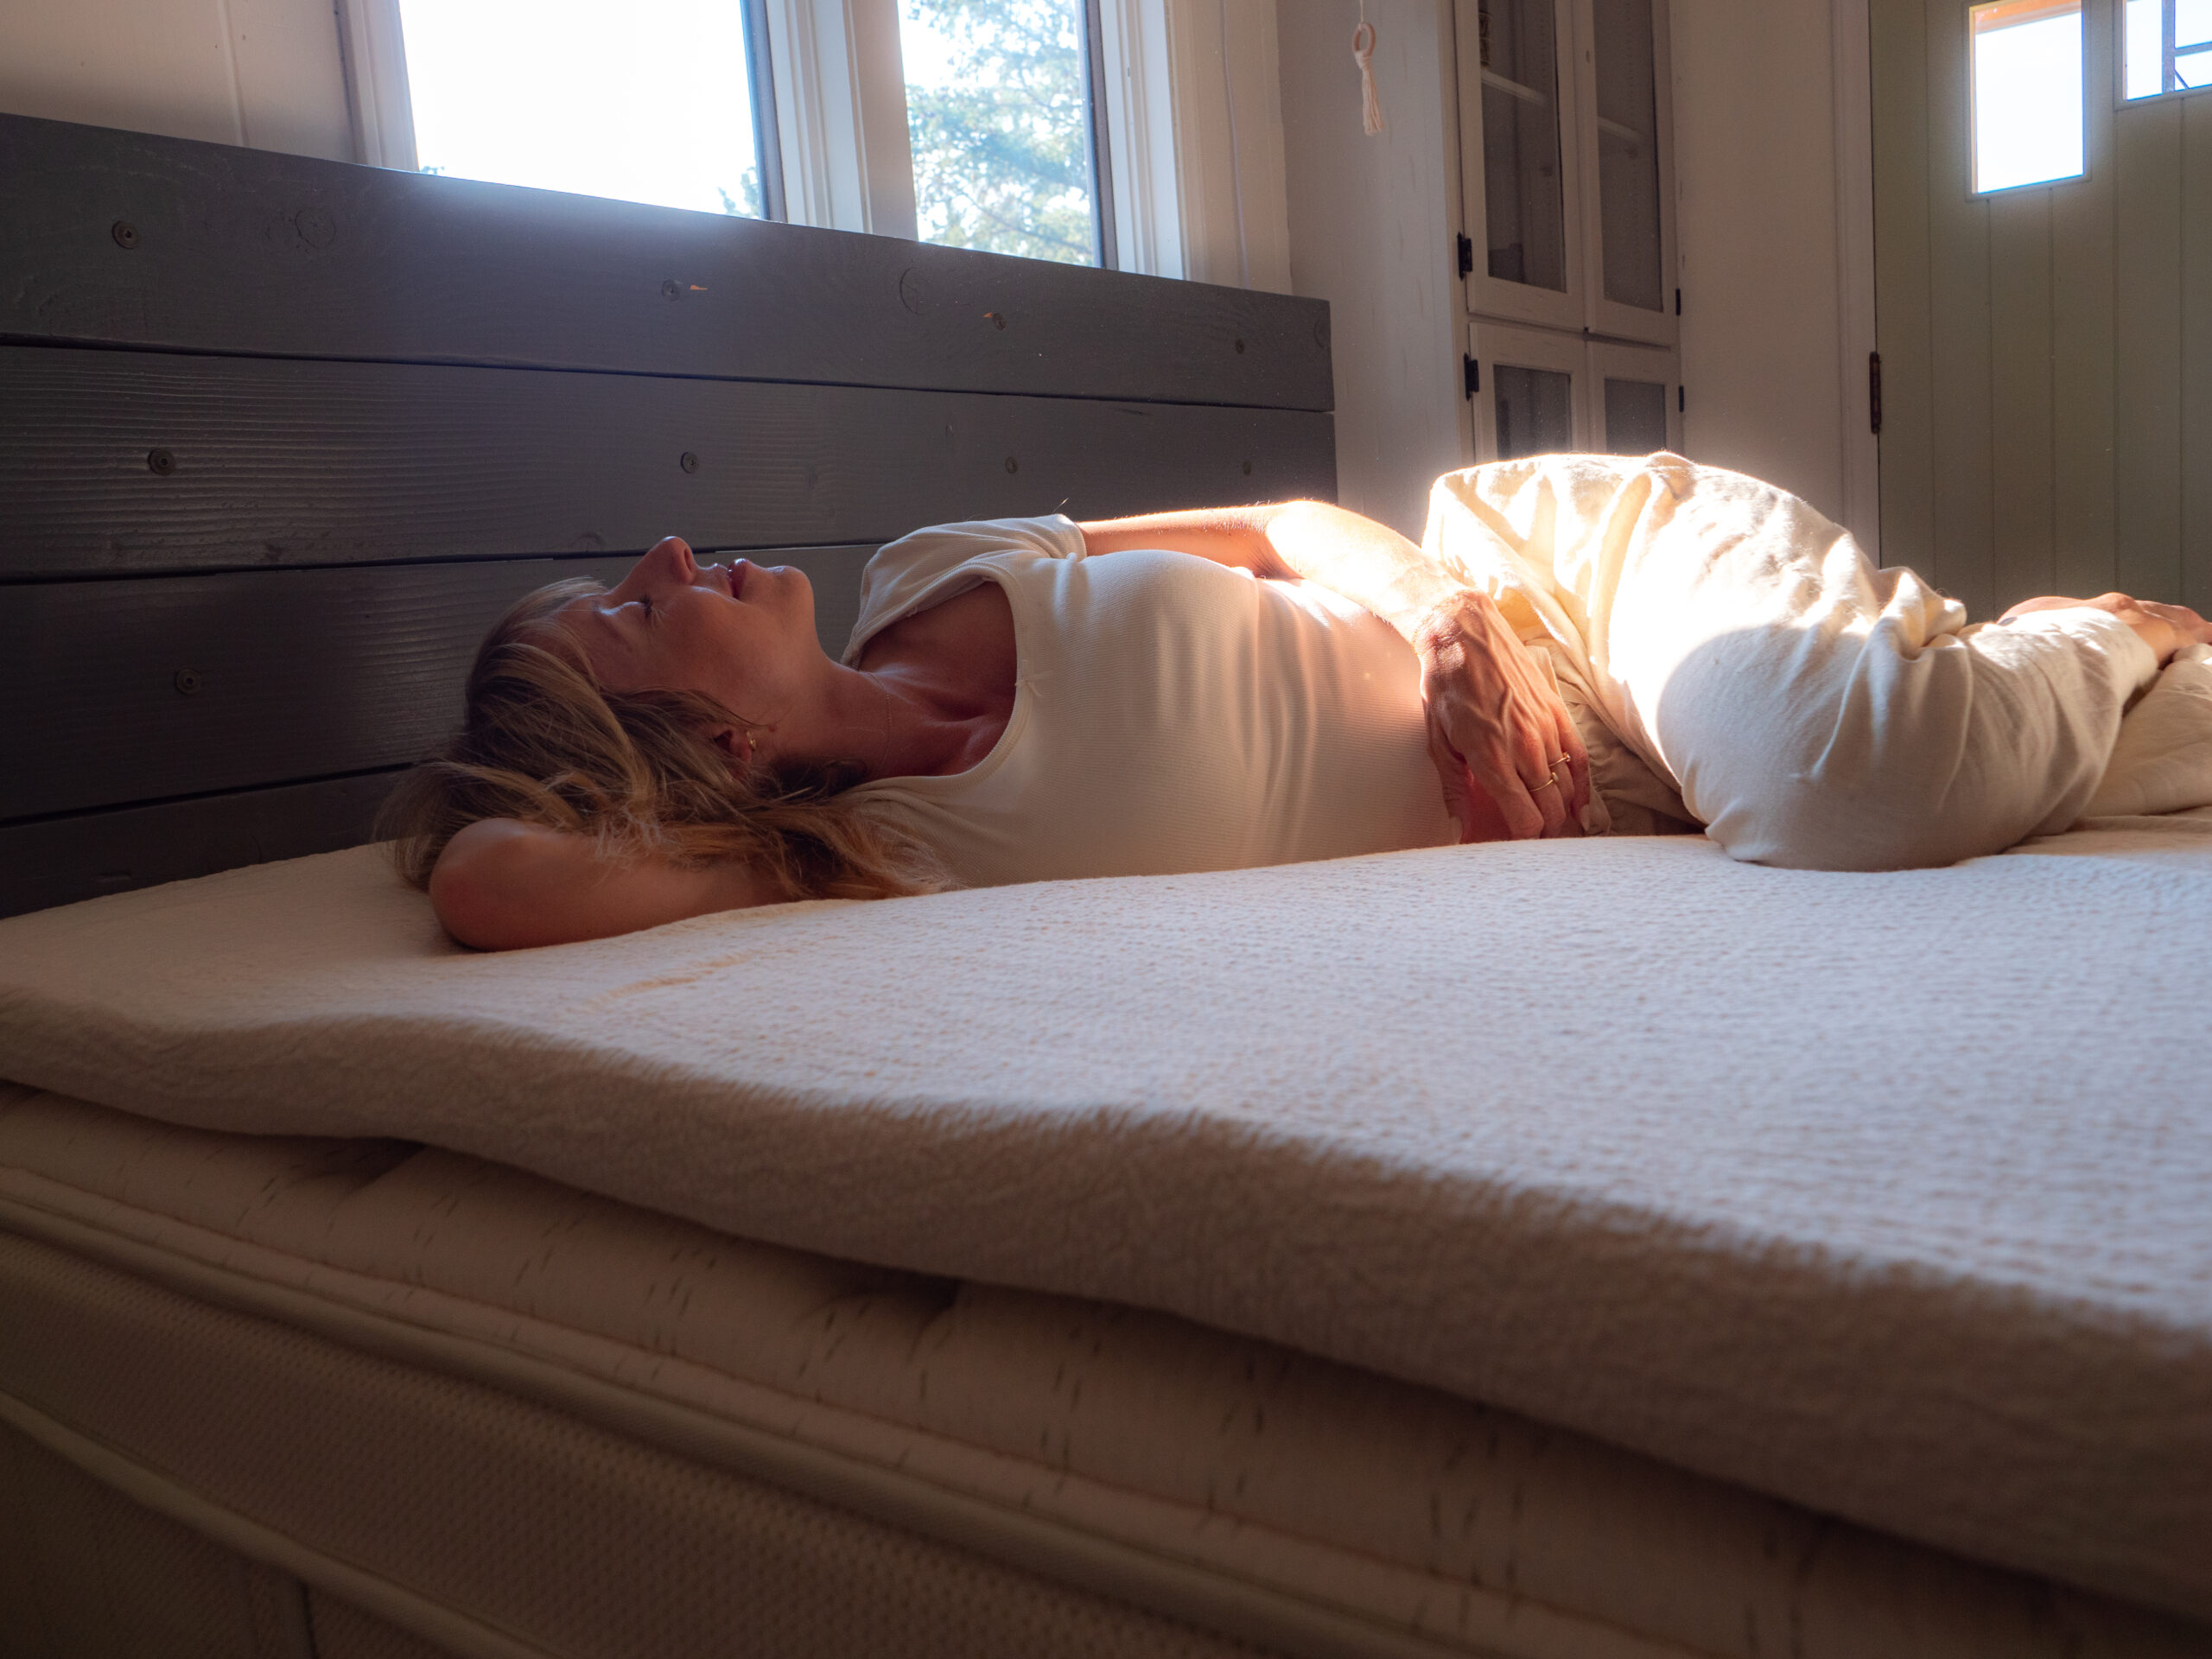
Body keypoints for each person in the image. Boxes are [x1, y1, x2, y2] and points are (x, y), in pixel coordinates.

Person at [387, 454, 2212, 950]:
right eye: (626, 616)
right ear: (707, 754)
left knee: (1843, 778)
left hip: (1552, 580)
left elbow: (1284, 522)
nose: (668, 546)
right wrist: (632, 808)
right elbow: (496, 881)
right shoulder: (873, 860)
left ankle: (2101, 620)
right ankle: (2088, 676)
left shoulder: (935, 561)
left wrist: (1440, 615)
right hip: (1612, 784)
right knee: (2147, 774)